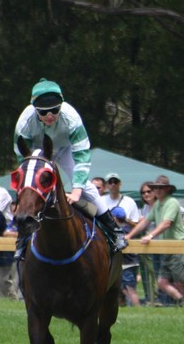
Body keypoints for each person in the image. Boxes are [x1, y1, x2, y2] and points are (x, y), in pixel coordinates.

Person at [13, 78, 126, 258]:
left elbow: (82, 155)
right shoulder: (24, 122)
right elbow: (23, 158)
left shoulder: (72, 117)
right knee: (29, 184)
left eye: (55, 110)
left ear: (62, 105)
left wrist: (76, 192)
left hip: (66, 150)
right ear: (35, 109)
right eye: (44, 112)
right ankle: (22, 239)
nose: (50, 115)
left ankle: (114, 231)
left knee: (87, 188)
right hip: (38, 151)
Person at [125, 175, 184, 306]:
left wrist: (150, 236)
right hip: (166, 248)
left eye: (161, 188)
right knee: (162, 282)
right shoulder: (157, 205)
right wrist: (129, 236)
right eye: (155, 188)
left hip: (178, 247)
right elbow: (145, 222)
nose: (157, 191)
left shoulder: (172, 202)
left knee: (179, 282)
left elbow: (166, 223)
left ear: (167, 189)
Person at [110, 206, 140, 307]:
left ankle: (137, 307)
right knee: (125, 288)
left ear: (114, 218)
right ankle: (131, 305)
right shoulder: (129, 228)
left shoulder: (120, 231)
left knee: (130, 289)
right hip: (133, 262)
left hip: (127, 264)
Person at [136, 181, 157, 304]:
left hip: (161, 244)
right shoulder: (145, 208)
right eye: (143, 192)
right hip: (147, 244)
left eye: (149, 191)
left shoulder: (161, 205)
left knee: (156, 272)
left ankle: (157, 298)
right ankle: (150, 297)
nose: (146, 194)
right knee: (149, 272)